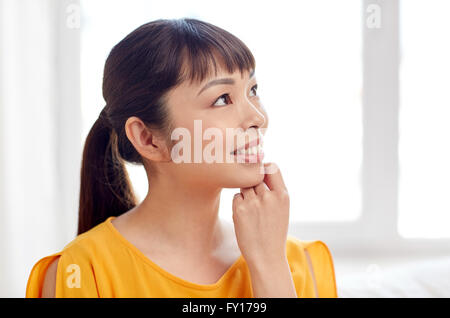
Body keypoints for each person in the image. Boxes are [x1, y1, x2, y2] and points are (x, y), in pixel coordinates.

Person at [26, 18, 337, 298]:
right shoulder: (82, 273)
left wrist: (269, 267)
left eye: (253, 90)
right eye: (222, 99)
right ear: (148, 138)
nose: (258, 117)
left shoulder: (297, 263)